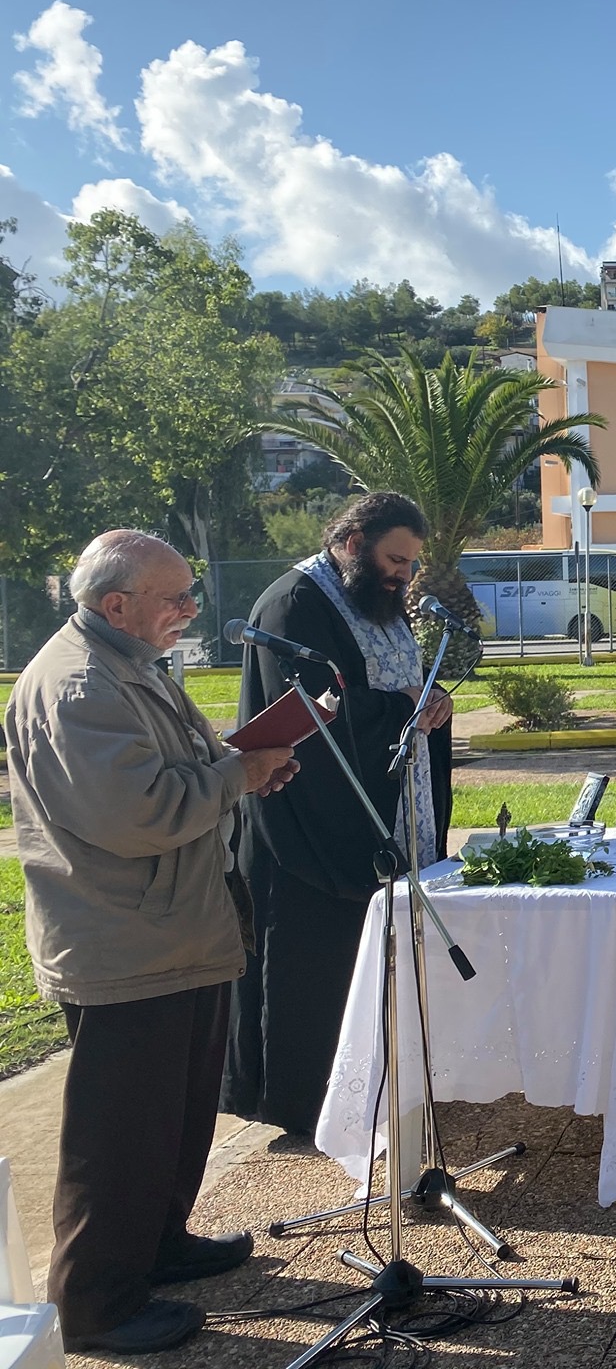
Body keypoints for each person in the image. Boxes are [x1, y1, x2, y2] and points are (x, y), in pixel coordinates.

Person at [6, 532, 300, 1354]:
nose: (190, 610)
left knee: (171, 1117)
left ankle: (157, 1247)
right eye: (175, 598)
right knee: (119, 1136)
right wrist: (237, 776)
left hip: (172, 931)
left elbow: (180, 775)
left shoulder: (126, 665)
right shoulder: (80, 687)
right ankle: (98, 1305)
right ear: (117, 605)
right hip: (125, 946)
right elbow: (137, 815)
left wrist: (242, 763)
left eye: (190, 593)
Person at [222, 493, 454, 1135]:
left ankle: (378, 1085)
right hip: (310, 825)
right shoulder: (295, 604)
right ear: (352, 542)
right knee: (310, 971)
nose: (403, 575)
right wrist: (401, 704)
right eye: (395, 559)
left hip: (380, 809)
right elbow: (309, 715)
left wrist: (430, 706)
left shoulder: (373, 600)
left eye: (410, 564)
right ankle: (305, 1108)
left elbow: (397, 688)